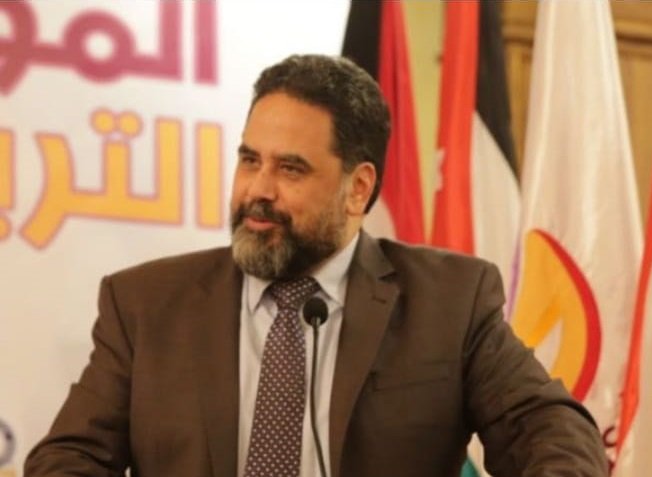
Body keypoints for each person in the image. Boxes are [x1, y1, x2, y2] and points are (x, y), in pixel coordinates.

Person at [25, 54, 608, 477]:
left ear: (358, 189)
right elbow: (69, 457)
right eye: (249, 160)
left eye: (291, 169)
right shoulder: (146, 304)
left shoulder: (449, 301)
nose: (258, 189)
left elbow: (548, 426)